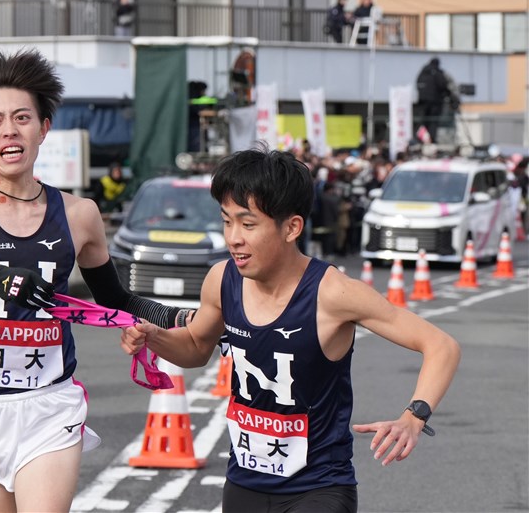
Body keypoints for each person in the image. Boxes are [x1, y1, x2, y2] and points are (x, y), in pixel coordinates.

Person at [0, 49, 195, 513]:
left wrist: (183, 316)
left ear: (43, 127)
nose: (9, 130)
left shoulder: (79, 215)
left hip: (50, 405)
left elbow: (115, 298)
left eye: (22, 117)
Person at [120, 148, 461, 512]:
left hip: (319, 489)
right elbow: (196, 346)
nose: (233, 238)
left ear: (292, 227)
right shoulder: (222, 280)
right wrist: (154, 338)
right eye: (227, 221)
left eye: (248, 224)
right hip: (244, 483)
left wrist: (413, 418)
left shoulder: (332, 293)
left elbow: (440, 345)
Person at [415, 58, 451, 144]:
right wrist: (448, 94)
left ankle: (421, 139)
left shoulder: (423, 72)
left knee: (424, 121)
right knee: (433, 121)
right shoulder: (437, 72)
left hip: (423, 102)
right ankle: (432, 140)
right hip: (435, 102)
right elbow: (443, 85)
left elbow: (418, 84)